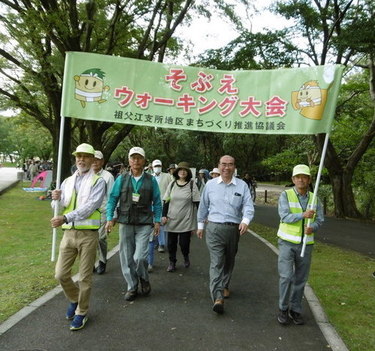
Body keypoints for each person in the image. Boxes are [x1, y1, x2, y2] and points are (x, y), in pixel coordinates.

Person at [50, 143, 106, 331]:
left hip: (88, 235)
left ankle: (82, 312)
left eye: (86, 156)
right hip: (68, 233)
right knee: (61, 274)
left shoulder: (98, 181)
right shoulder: (66, 181)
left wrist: (65, 217)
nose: (81, 159)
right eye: (78, 156)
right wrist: (55, 198)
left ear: (93, 160)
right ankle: (74, 298)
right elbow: (60, 206)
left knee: (84, 277)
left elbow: (90, 207)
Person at [197, 155, 254, 314]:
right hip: (214, 228)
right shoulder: (210, 185)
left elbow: (248, 206)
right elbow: (203, 206)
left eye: (230, 165)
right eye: (223, 164)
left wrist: (246, 220)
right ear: (218, 166)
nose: (226, 168)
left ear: (234, 167)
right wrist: (200, 225)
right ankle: (217, 296)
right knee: (217, 262)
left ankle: (225, 284)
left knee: (229, 259)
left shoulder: (242, 185)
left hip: (233, 229)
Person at [106, 147, 162, 302]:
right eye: (133, 158)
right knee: (126, 257)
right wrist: (110, 217)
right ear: (129, 160)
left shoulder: (151, 180)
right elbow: (112, 199)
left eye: (139, 158)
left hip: (144, 223)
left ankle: (143, 277)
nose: (136, 161)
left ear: (144, 161)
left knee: (140, 257)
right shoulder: (121, 179)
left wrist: (157, 221)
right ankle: (132, 286)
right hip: (125, 222)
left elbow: (157, 202)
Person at [277, 164, 324, 326]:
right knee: (286, 276)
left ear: (309, 180)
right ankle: (283, 308)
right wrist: (302, 215)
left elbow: (320, 220)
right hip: (286, 242)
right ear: (293, 179)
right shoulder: (286, 195)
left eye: (304, 177)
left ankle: (295, 309)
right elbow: (284, 216)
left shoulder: (314, 198)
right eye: (297, 177)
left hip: (306, 243)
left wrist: (313, 228)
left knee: (300, 279)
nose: (301, 179)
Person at [162, 162, 200, 272]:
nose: (182, 172)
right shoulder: (172, 184)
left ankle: (185, 256)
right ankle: (172, 262)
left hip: (186, 219)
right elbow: (166, 200)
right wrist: (164, 215)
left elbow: (197, 202)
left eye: (184, 170)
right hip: (172, 218)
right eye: (180, 170)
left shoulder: (192, 185)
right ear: (177, 172)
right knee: (171, 244)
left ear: (188, 173)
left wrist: (201, 218)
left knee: (184, 244)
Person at [92, 150, 114, 274]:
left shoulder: (107, 176)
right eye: (93, 159)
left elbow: (112, 196)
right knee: (89, 239)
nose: (95, 162)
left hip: (103, 211)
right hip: (88, 212)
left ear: (102, 161)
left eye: (98, 159)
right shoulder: (86, 174)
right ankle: (90, 263)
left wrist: (112, 215)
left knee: (101, 238)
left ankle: (102, 261)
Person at [148, 159, 171, 271]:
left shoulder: (167, 176)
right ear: (152, 167)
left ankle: (162, 244)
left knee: (161, 223)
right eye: (156, 165)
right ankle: (155, 241)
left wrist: (168, 201)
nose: (158, 167)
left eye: (159, 165)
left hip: (163, 202)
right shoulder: (149, 177)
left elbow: (170, 189)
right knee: (152, 224)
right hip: (151, 203)